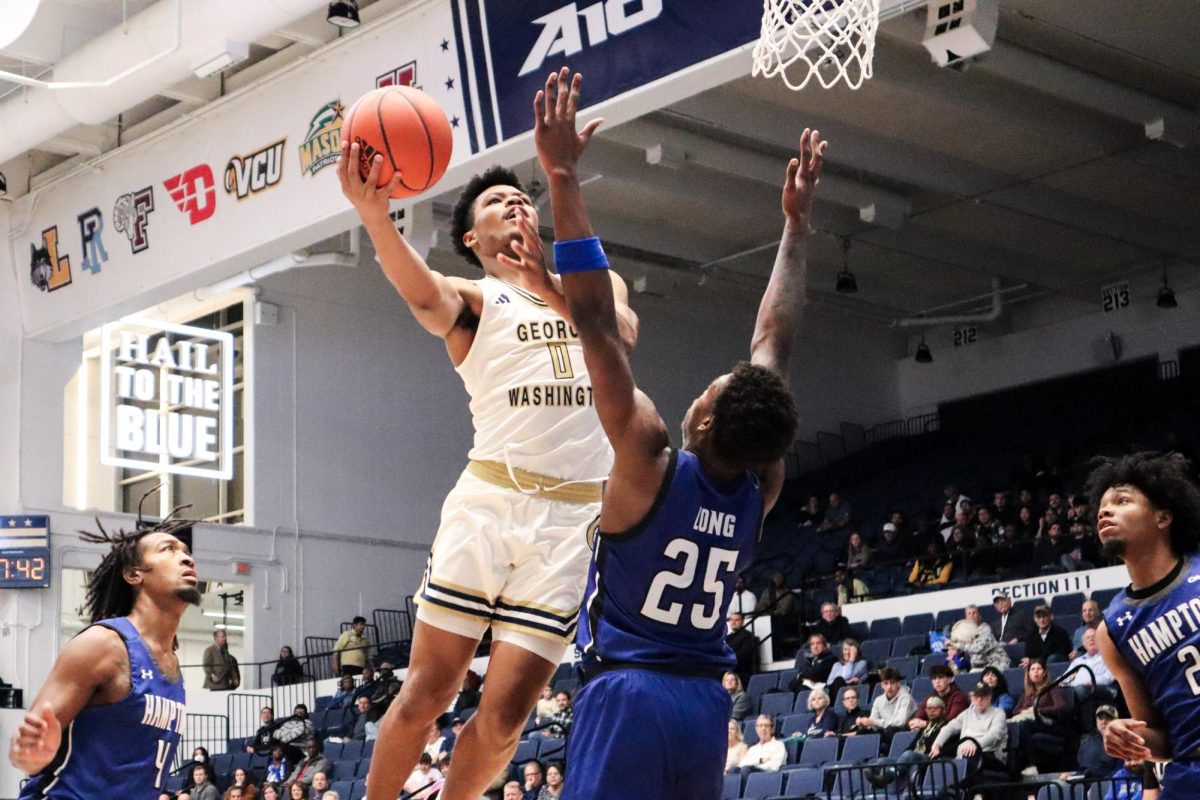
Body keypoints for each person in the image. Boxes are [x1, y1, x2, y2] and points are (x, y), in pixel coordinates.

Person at [340, 72, 639, 800]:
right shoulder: (477, 298)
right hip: (491, 503)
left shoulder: (600, 286)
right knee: (427, 693)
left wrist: (550, 279)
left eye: (522, 198)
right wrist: (377, 217)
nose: (516, 203)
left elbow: (619, 335)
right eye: (497, 203)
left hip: (572, 521)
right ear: (474, 238)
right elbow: (421, 293)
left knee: (506, 720)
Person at [535, 64, 821, 798]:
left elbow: (596, 322)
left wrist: (563, 177)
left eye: (710, 389)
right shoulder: (761, 483)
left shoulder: (650, 457)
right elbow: (774, 346)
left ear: (702, 417)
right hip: (704, 706)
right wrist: (795, 226)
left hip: (630, 693)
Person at [9, 505, 200, 800]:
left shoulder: (172, 665)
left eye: (186, 551)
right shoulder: (104, 645)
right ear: (134, 574)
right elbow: (28, 755)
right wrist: (32, 755)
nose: (186, 557)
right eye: (168, 549)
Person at [1087, 453, 1200, 795]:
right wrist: (1130, 737)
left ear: (1162, 516)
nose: (1105, 512)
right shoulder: (1112, 631)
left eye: (1122, 501)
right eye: (1102, 507)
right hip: (1189, 773)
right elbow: (1158, 736)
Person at [929, 682, 1007, 772]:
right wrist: (937, 744)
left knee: (969, 760)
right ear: (971, 697)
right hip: (963, 759)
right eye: (976, 697)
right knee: (939, 762)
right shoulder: (967, 713)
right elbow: (949, 728)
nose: (979, 700)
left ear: (989, 697)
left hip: (988, 756)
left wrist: (976, 744)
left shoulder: (998, 713)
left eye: (983, 696)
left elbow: (995, 734)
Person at [855, 667, 917, 747]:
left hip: (903, 732)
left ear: (898, 683)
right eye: (886, 683)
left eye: (892, 683)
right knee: (862, 732)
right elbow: (873, 723)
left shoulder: (906, 698)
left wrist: (874, 722)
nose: (889, 687)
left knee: (891, 729)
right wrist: (864, 723)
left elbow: (900, 722)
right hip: (885, 732)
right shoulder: (878, 700)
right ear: (881, 685)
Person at [909, 665, 968, 730]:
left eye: (941, 677)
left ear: (950, 679)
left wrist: (926, 724)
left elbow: (951, 721)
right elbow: (919, 715)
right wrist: (914, 722)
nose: (937, 681)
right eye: (934, 679)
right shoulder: (931, 697)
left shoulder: (959, 697)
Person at [726, 612, 759, 688]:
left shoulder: (748, 636)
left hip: (741, 670)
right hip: (729, 668)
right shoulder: (727, 637)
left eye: (737, 620)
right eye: (731, 620)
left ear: (742, 622)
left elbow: (743, 654)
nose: (733, 622)